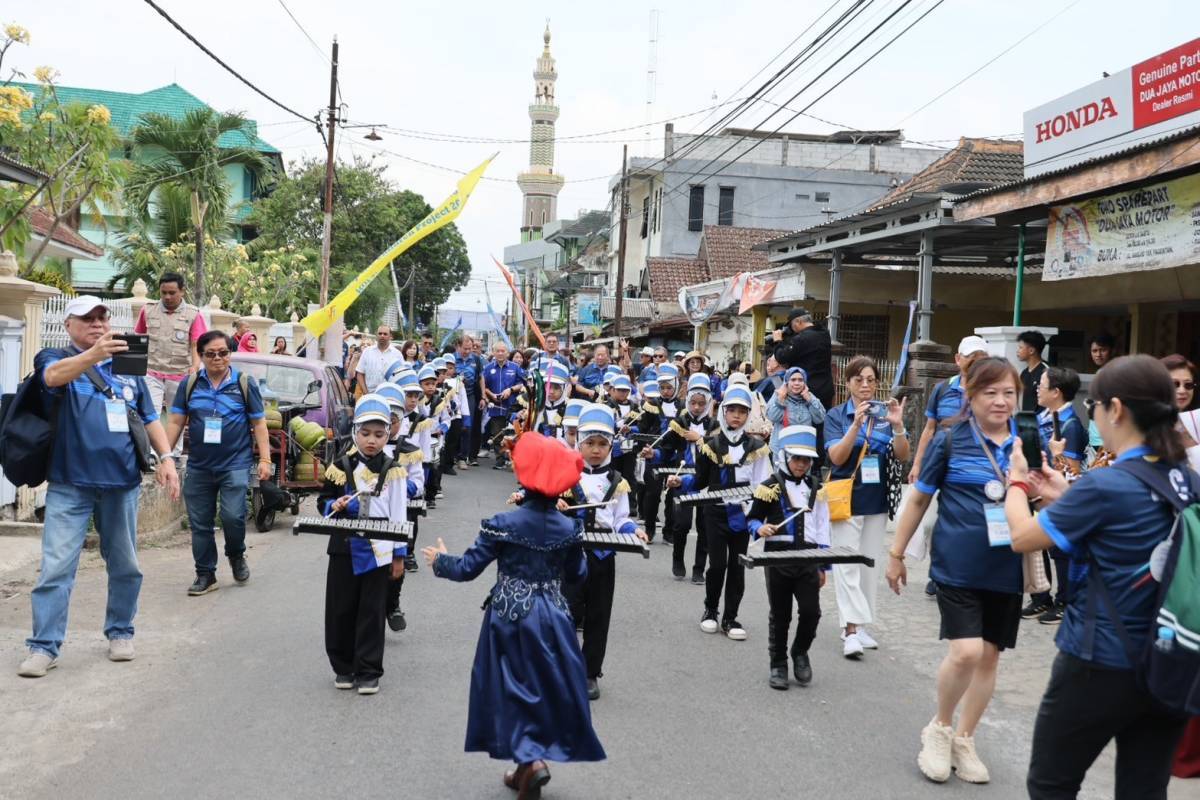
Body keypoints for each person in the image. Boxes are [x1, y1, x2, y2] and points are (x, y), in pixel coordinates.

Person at [1005, 355, 1192, 799]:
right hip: (1171, 660)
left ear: (1118, 409)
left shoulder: (1105, 485)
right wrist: (1064, 494)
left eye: (1097, 406)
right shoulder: (1188, 480)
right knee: (1144, 789)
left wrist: (1017, 482)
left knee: (1052, 782)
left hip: (1097, 661)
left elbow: (1021, 537)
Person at [423, 432, 606, 797]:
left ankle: (529, 761)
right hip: (554, 615)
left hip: (509, 614)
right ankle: (530, 762)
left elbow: (467, 569)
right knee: (545, 689)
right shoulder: (569, 526)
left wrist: (439, 560)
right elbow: (577, 575)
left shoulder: (502, 523)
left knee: (511, 689)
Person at [18, 296, 181, 678]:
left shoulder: (127, 364)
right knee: (56, 568)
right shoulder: (53, 356)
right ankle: (44, 646)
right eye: (87, 319)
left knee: (125, 565)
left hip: (121, 483)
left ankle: (121, 631)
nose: (97, 324)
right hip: (69, 483)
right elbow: (53, 378)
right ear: (68, 325)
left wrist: (168, 459)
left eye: (102, 318)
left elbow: (147, 414)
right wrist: (94, 354)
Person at [886, 357, 1025, 785]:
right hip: (957, 565)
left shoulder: (1027, 441)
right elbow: (919, 500)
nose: (1001, 401)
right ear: (970, 396)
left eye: (1009, 393)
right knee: (965, 651)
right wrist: (896, 553)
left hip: (1007, 564)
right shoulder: (950, 440)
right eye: (991, 393)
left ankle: (966, 738)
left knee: (988, 657)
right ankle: (940, 728)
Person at [318, 395, 416, 695]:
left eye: (378, 434)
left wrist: (400, 555)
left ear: (388, 434)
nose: (371, 441)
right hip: (344, 547)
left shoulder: (394, 469)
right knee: (340, 609)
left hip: (379, 550)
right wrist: (337, 503)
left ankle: (369, 670)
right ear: (355, 432)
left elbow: (399, 513)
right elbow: (323, 504)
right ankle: (344, 667)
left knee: (372, 612)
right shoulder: (340, 464)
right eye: (365, 433)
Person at [164, 331, 271, 596]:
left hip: (235, 463)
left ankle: (236, 555)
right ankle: (205, 573)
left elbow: (259, 423)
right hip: (199, 465)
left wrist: (266, 459)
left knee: (233, 516)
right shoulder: (189, 384)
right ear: (201, 355)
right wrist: (164, 457)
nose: (217, 358)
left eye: (223, 353)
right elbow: (176, 421)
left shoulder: (244, 384)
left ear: (229, 354)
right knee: (200, 523)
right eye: (210, 353)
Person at [667, 384, 771, 641]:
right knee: (717, 565)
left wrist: (756, 514)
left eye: (742, 411)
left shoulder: (757, 447)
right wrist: (681, 483)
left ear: (748, 415)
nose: (736, 415)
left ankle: (731, 617)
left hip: (742, 515)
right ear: (723, 412)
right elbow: (700, 480)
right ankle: (710, 610)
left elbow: (764, 484)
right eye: (732, 410)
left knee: (737, 567)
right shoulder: (710, 444)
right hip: (715, 512)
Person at [558, 404, 647, 700]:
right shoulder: (566, 476)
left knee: (599, 615)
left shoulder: (618, 481)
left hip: (602, 556)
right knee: (566, 613)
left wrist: (633, 530)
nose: (596, 450)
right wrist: (556, 507)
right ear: (579, 443)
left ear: (610, 445)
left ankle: (589, 672)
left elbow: (621, 518)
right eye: (590, 443)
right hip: (571, 556)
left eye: (602, 444)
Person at [823, 356, 908, 658]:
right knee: (846, 565)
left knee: (867, 566)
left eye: (871, 380)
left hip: (877, 501)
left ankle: (861, 625)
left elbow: (901, 455)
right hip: (845, 500)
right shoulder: (836, 415)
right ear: (847, 384)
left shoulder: (886, 415)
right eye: (859, 380)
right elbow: (836, 456)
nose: (866, 386)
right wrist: (855, 425)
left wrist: (897, 427)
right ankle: (850, 631)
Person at [746, 425, 831, 690]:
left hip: (807, 559)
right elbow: (752, 518)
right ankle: (778, 663)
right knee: (780, 615)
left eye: (807, 459)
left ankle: (800, 652)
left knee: (811, 612)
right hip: (777, 558)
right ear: (784, 456)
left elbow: (823, 525)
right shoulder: (768, 486)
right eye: (797, 458)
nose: (802, 464)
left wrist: (823, 565)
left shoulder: (818, 487)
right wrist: (759, 529)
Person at [909, 336, 990, 599]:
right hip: (938, 465)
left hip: (974, 469)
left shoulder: (992, 394)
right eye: (970, 357)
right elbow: (929, 430)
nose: (975, 363)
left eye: (981, 358)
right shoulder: (942, 390)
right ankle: (938, 571)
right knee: (934, 523)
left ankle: (964, 575)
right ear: (958, 360)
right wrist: (918, 463)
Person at [1021, 366, 1087, 625]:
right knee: (1038, 545)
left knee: (1059, 549)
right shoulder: (1043, 416)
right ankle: (1041, 597)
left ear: (1056, 392)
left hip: (1056, 495)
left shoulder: (1070, 425)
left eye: (1043, 384)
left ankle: (1064, 601)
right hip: (1037, 490)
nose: (1037, 388)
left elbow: (1072, 471)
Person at [133, 272, 207, 456]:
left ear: (182, 291)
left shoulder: (193, 314)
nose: (167, 297)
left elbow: (197, 343)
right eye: (163, 292)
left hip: (180, 373)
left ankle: (173, 453)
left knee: (177, 415)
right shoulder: (147, 310)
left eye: (172, 292)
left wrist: (195, 366)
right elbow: (139, 338)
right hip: (151, 371)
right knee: (151, 413)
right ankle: (150, 453)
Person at [653, 373, 714, 583]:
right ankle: (677, 559)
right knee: (682, 523)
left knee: (705, 525)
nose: (697, 407)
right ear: (687, 400)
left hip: (705, 479)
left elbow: (721, 452)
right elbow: (666, 449)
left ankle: (699, 568)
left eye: (701, 403)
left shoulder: (715, 427)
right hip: (682, 476)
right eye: (693, 403)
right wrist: (654, 454)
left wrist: (701, 439)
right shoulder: (679, 422)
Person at [771, 308, 834, 410]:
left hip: (806, 391)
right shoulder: (824, 333)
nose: (791, 328)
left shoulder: (801, 339)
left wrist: (778, 341)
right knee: (822, 421)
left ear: (798, 322)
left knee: (806, 424)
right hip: (825, 389)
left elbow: (782, 357)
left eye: (791, 325)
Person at [765, 366, 825, 461]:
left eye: (800, 380)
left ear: (804, 383)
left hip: (804, 449)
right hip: (782, 451)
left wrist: (809, 400)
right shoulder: (779, 394)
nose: (797, 383)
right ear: (787, 382)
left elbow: (820, 418)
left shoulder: (809, 396)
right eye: (793, 380)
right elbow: (772, 417)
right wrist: (780, 400)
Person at [482, 342, 525, 470]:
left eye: (503, 351)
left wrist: (511, 390)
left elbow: (523, 383)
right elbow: (484, 386)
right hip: (495, 406)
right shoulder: (488, 368)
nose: (500, 353)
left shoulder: (515, 367)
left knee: (515, 434)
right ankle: (500, 460)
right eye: (498, 351)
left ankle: (515, 460)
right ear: (493, 353)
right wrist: (492, 395)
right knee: (496, 433)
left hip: (513, 407)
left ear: (507, 353)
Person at [1162, 354, 1200, 473]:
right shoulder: (1144, 425)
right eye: (1175, 384)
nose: (1182, 391)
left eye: (1188, 385)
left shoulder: (1196, 420)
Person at [355, 326, 402, 395]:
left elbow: (401, 375)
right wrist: (366, 393)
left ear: (390, 336)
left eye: (385, 334)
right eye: (380, 333)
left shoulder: (397, 354)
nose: (382, 336)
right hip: (370, 395)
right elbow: (359, 373)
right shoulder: (367, 352)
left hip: (390, 396)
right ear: (376, 335)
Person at [1017, 330, 1048, 413]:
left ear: (1031, 351)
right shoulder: (1024, 373)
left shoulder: (1046, 372)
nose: (1018, 351)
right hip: (1026, 421)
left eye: (1020, 347)